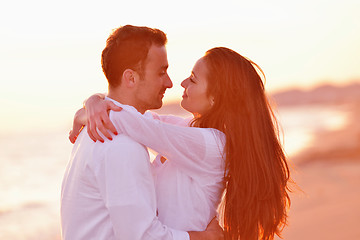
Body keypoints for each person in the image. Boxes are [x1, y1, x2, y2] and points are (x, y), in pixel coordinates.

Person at [71, 46, 292, 239]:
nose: (183, 82)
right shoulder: (190, 130)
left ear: (215, 97)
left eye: (193, 79)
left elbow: (134, 123)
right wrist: (93, 101)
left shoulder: (212, 145)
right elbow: (139, 118)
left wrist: (90, 109)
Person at [61, 25, 223, 240]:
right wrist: (206, 238)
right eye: (161, 72)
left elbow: (149, 126)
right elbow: (142, 237)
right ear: (130, 78)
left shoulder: (97, 127)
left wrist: (91, 104)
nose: (170, 82)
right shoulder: (119, 143)